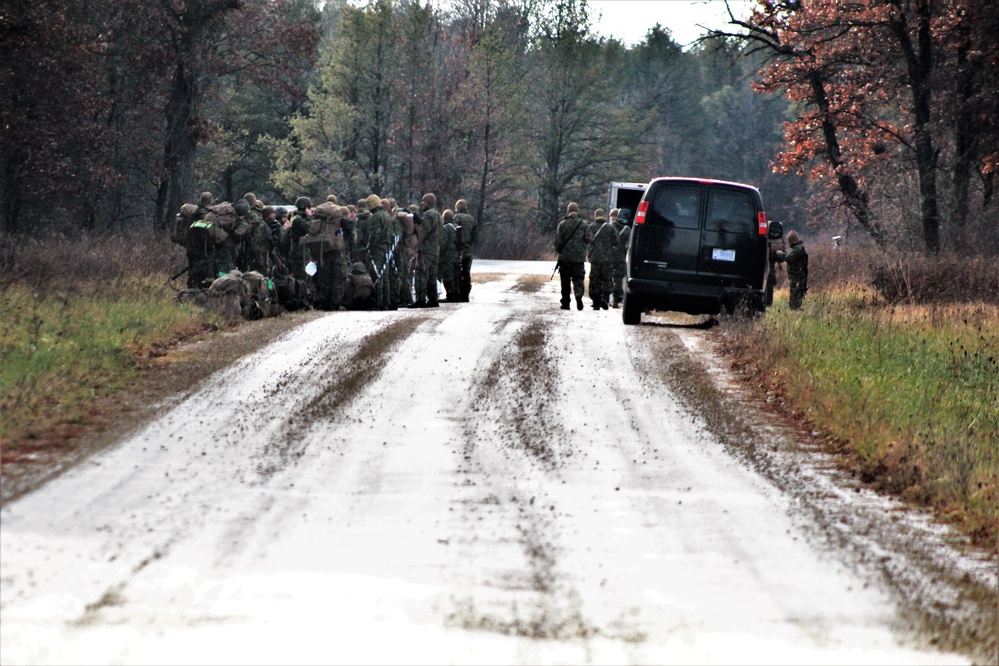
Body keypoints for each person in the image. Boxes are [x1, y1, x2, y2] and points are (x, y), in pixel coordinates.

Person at [305, 202, 348, 310]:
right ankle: (334, 303)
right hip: (337, 251)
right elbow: (351, 235)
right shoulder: (338, 218)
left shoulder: (318, 218)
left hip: (321, 252)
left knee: (323, 277)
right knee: (337, 278)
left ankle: (323, 302)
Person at [553, 202, 587, 310]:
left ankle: (566, 303)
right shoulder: (584, 224)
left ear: (568, 211)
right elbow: (589, 238)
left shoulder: (562, 224)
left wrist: (560, 251)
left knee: (565, 280)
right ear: (577, 211)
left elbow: (557, 241)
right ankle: (578, 295)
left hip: (565, 258)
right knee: (578, 279)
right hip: (579, 258)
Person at [410, 193, 442, 308]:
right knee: (432, 275)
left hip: (426, 249)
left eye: (423, 201)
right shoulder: (438, 214)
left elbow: (424, 231)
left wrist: (415, 247)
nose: (422, 203)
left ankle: (420, 300)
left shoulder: (429, 214)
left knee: (421, 273)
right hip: (435, 249)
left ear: (428, 202)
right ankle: (433, 299)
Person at [365, 194, 394, 310]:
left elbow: (375, 233)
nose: (367, 208)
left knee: (376, 274)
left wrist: (369, 246)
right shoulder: (386, 215)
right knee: (385, 275)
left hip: (378, 248)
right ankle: (386, 301)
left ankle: (378, 302)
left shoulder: (376, 216)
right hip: (386, 248)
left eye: (368, 205)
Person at [585, 209, 618, 310]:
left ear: (595, 216)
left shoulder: (591, 227)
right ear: (604, 216)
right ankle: (604, 298)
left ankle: (596, 302)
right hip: (607, 258)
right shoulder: (610, 227)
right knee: (606, 279)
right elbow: (616, 241)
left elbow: (587, 240)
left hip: (594, 258)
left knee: (594, 280)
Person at [777, 229, 808, 310]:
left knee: (795, 294)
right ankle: (795, 309)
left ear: (792, 240)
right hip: (797, 276)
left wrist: (781, 254)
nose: (789, 242)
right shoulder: (798, 248)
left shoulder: (797, 249)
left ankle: (795, 310)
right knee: (795, 293)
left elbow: (789, 258)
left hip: (797, 276)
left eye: (789, 241)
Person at [453, 199, 476, 302]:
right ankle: (465, 294)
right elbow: (475, 235)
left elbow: (454, 232)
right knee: (466, 272)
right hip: (468, 249)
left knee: (457, 272)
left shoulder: (456, 217)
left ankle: (458, 294)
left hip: (459, 249)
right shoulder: (472, 218)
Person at [439, 209, 462, 302]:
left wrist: (440, 253)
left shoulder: (445, 228)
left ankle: (450, 296)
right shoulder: (457, 227)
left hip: (447, 256)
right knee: (456, 276)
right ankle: (457, 295)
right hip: (456, 255)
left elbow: (443, 243)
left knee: (448, 277)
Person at [609, 208, 627, 308]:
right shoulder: (626, 228)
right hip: (621, 257)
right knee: (619, 279)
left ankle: (610, 299)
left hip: (611, 256)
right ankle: (617, 298)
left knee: (610, 278)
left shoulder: (609, 227)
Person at [765, 219, 785, 306]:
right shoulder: (778, 241)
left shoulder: (764, 237)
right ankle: (768, 302)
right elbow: (781, 258)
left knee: (768, 282)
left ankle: (766, 302)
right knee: (770, 283)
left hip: (765, 266)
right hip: (771, 267)